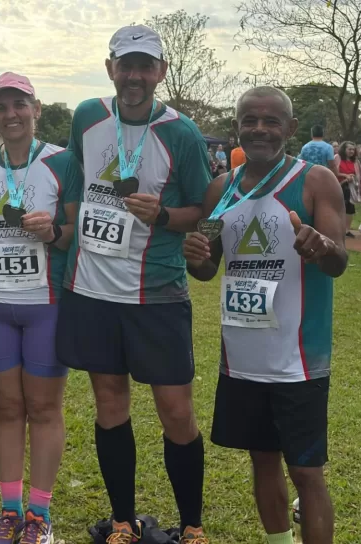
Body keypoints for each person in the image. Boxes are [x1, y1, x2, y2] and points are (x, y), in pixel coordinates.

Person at [55, 25, 211, 544]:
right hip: (92, 290)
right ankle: (122, 521)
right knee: (110, 404)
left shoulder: (181, 133)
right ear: (110, 68)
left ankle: (192, 525)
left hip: (156, 293)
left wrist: (163, 214)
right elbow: (76, 181)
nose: (135, 76)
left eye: (146, 66)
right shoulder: (86, 117)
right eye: (127, 65)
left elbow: (200, 212)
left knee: (176, 411)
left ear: (160, 72)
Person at [183, 85, 346, 544]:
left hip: (299, 361)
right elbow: (208, 264)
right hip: (243, 358)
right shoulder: (222, 188)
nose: (259, 129)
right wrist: (196, 255)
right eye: (249, 121)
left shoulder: (315, 181)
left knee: (306, 471)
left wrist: (321, 247)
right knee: (261, 458)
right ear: (237, 129)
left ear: (290, 129)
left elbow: (339, 263)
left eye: (271, 121)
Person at [0, 72, 81, 544]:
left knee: (45, 408)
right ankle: (10, 513)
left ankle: (39, 515)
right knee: (7, 407)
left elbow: (77, 231)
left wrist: (51, 232)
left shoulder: (62, 162)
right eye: (0, 106)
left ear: (35, 108)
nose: (10, 114)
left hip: (46, 303)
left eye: (19, 104)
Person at [335, 141, 360, 237]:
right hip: (339, 185)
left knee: (350, 208)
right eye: (349, 149)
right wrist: (345, 176)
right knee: (339, 207)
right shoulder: (338, 158)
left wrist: (357, 183)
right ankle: (337, 228)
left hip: (350, 186)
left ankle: (347, 230)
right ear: (344, 149)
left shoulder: (355, 161)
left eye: (353, 149)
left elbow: (357, 175)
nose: (351, 151)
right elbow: (334, 171)